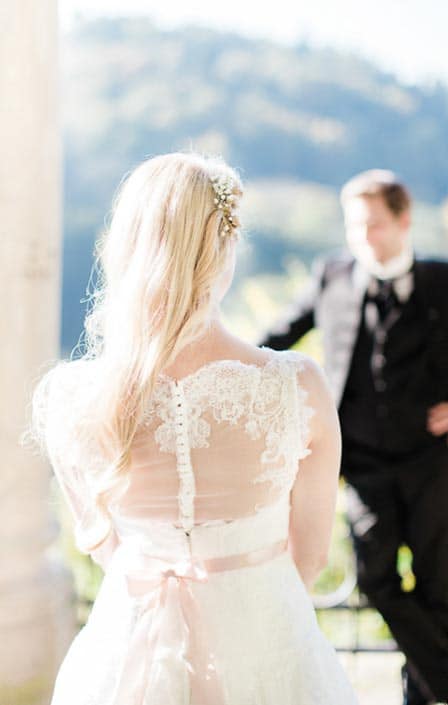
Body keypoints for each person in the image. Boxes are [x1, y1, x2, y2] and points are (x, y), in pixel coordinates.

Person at [31, 153, 358, 703]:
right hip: (267, 635)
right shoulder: (297, 385)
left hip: (127, 646)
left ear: (125, 248)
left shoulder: (72, 397)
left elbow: (103, 544)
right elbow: (312, 557)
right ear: (225, 249)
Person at [260, 169, 448, 705]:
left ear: (404, 220)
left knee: (432, 586)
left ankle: (424, 699)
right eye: (356, 226)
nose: (364, 237)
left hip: (436, 458)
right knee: (374, 578)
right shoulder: (332, 273)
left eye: (375, 224)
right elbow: (279, 334)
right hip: (362, 462)